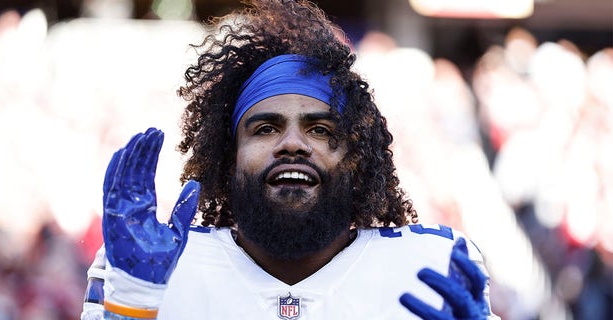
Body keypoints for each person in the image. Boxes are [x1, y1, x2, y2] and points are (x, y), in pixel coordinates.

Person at [81, 0, 500, 319]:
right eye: (265, 128)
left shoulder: (437, 265)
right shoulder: (146, 268)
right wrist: (133, 305)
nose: (293, 144)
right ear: (229, 160)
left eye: (321, 129)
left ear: (356, 159)